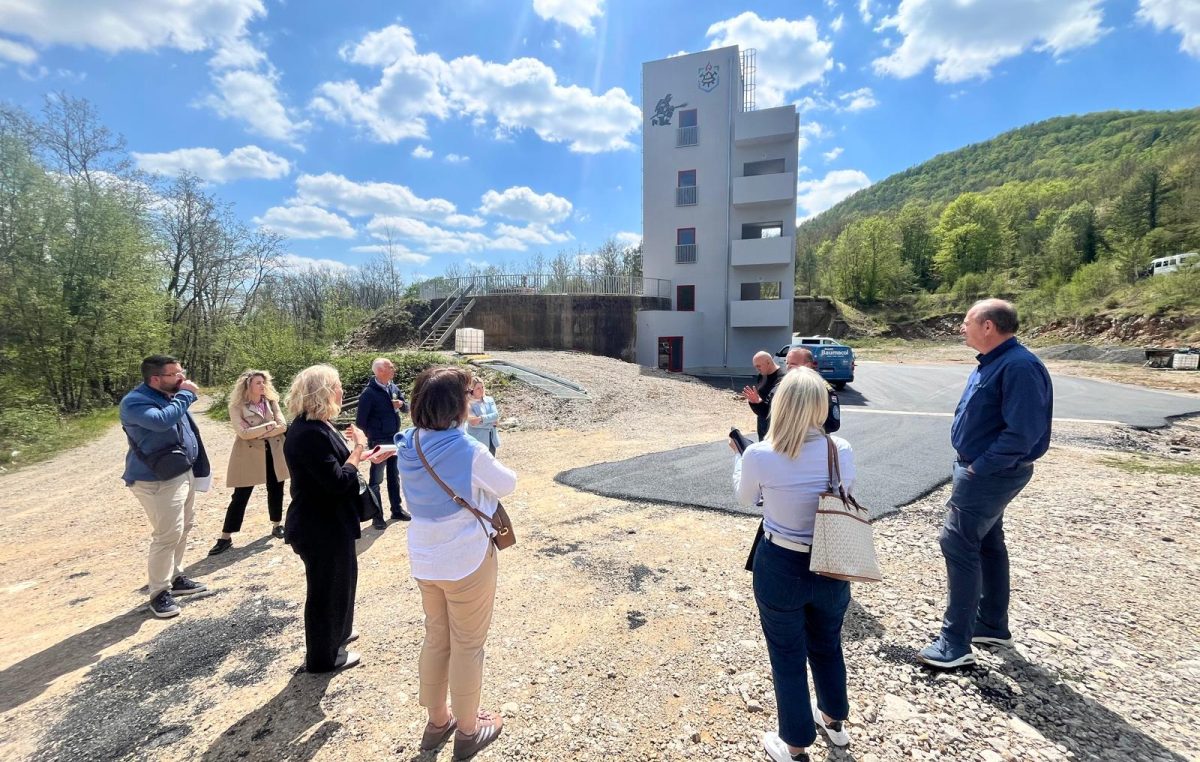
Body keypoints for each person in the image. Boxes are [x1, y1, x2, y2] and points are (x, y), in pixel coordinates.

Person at [918, 299, 1053, 669]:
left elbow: (1023, 433)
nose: (962, 328)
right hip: (984, 470)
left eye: (966, 322)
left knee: (957, 542)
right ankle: (991, 624)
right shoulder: (997, 362)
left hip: (989, 474)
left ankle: (954, 643)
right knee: (988, 541)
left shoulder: (1020, 367)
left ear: (989, 326)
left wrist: (980, 468)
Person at [733, 368, 857, 761]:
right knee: (827, 643)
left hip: (782, 560)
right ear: (823, 405)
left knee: (786, 653)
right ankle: (834, 723)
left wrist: (740, 459)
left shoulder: (760, 454)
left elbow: (745, 499)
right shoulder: (842, 449)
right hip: (832, 558)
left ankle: (796, 744)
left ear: (781, 404)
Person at [395, 366, 517, 760]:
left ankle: (437, 721)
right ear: (458, 403)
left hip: (425, 556)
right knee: (468, 644)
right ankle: (468, 728)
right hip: (464, 557)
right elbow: (508, 484)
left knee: (437, 637)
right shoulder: (467, 450)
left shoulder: (409, 441)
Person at [282, 364, 388, 672]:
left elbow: (333, 467)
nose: (342, 391)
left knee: (342, 583)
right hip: (318, 526)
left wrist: (364, 456)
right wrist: (358, 449)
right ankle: (323, 657)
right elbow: (339, 481)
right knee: (325, 593)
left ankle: (338, 633)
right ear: (324, 392)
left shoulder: (318, 425)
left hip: (332, 523)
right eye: (338, 385)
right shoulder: (308, 433)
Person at [120, 355, 211, 619]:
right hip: (156, 479)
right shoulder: (135, 402)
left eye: (182, 372)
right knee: (167, 534)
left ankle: (176, 576)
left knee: (184, 526)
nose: (181, 378)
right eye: (175, 374)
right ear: (155, 378)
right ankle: (159, 592)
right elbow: (161, 421)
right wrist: (186, 395)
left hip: (181, 471)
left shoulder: (169, 394)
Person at [209, 370, 289, 555]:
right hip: (249, 454)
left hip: (274, 451)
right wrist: (270, 427)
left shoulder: (271, 401)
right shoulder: (236, 406)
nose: (262, 386)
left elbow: (283, 426)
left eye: (264, 382)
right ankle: (225, 536)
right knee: (241, 495)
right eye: (258, 383)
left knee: (276, 488)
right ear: (248, 386)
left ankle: (277, 524)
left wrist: (259, 431)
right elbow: (242, 433)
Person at [356, 357, 411, 529]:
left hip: (394, 439)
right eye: (390, 367)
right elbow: (361, 422)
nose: (394, 369)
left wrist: (402, 404)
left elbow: (407, 408)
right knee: (376, 479)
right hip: (378, 441)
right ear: (380, 371)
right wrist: (365, 443)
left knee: (394, 476)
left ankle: (396, 509)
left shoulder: (393, 387)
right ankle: (377, 515)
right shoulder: (368, 394)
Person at [742, 351, 783, 440]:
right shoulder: (762, 375)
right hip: (762, 420)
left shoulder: (782, 378)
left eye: (758, 366)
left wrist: (758, 401)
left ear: (768, 362)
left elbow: (777, 407)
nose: (757, 369)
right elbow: (760, 398)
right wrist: (754, 401)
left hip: (775, 424)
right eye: (755, 367)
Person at [466, 378, 501, 455]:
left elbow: (496, 416)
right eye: (478, 388)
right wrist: (490, 423)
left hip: (491, 439)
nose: (481, 390)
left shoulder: (490, 400)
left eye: (482, 387)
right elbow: (473, 422)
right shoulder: (468, 403)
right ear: (472, 390)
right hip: (477, 441)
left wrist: (481, 419)